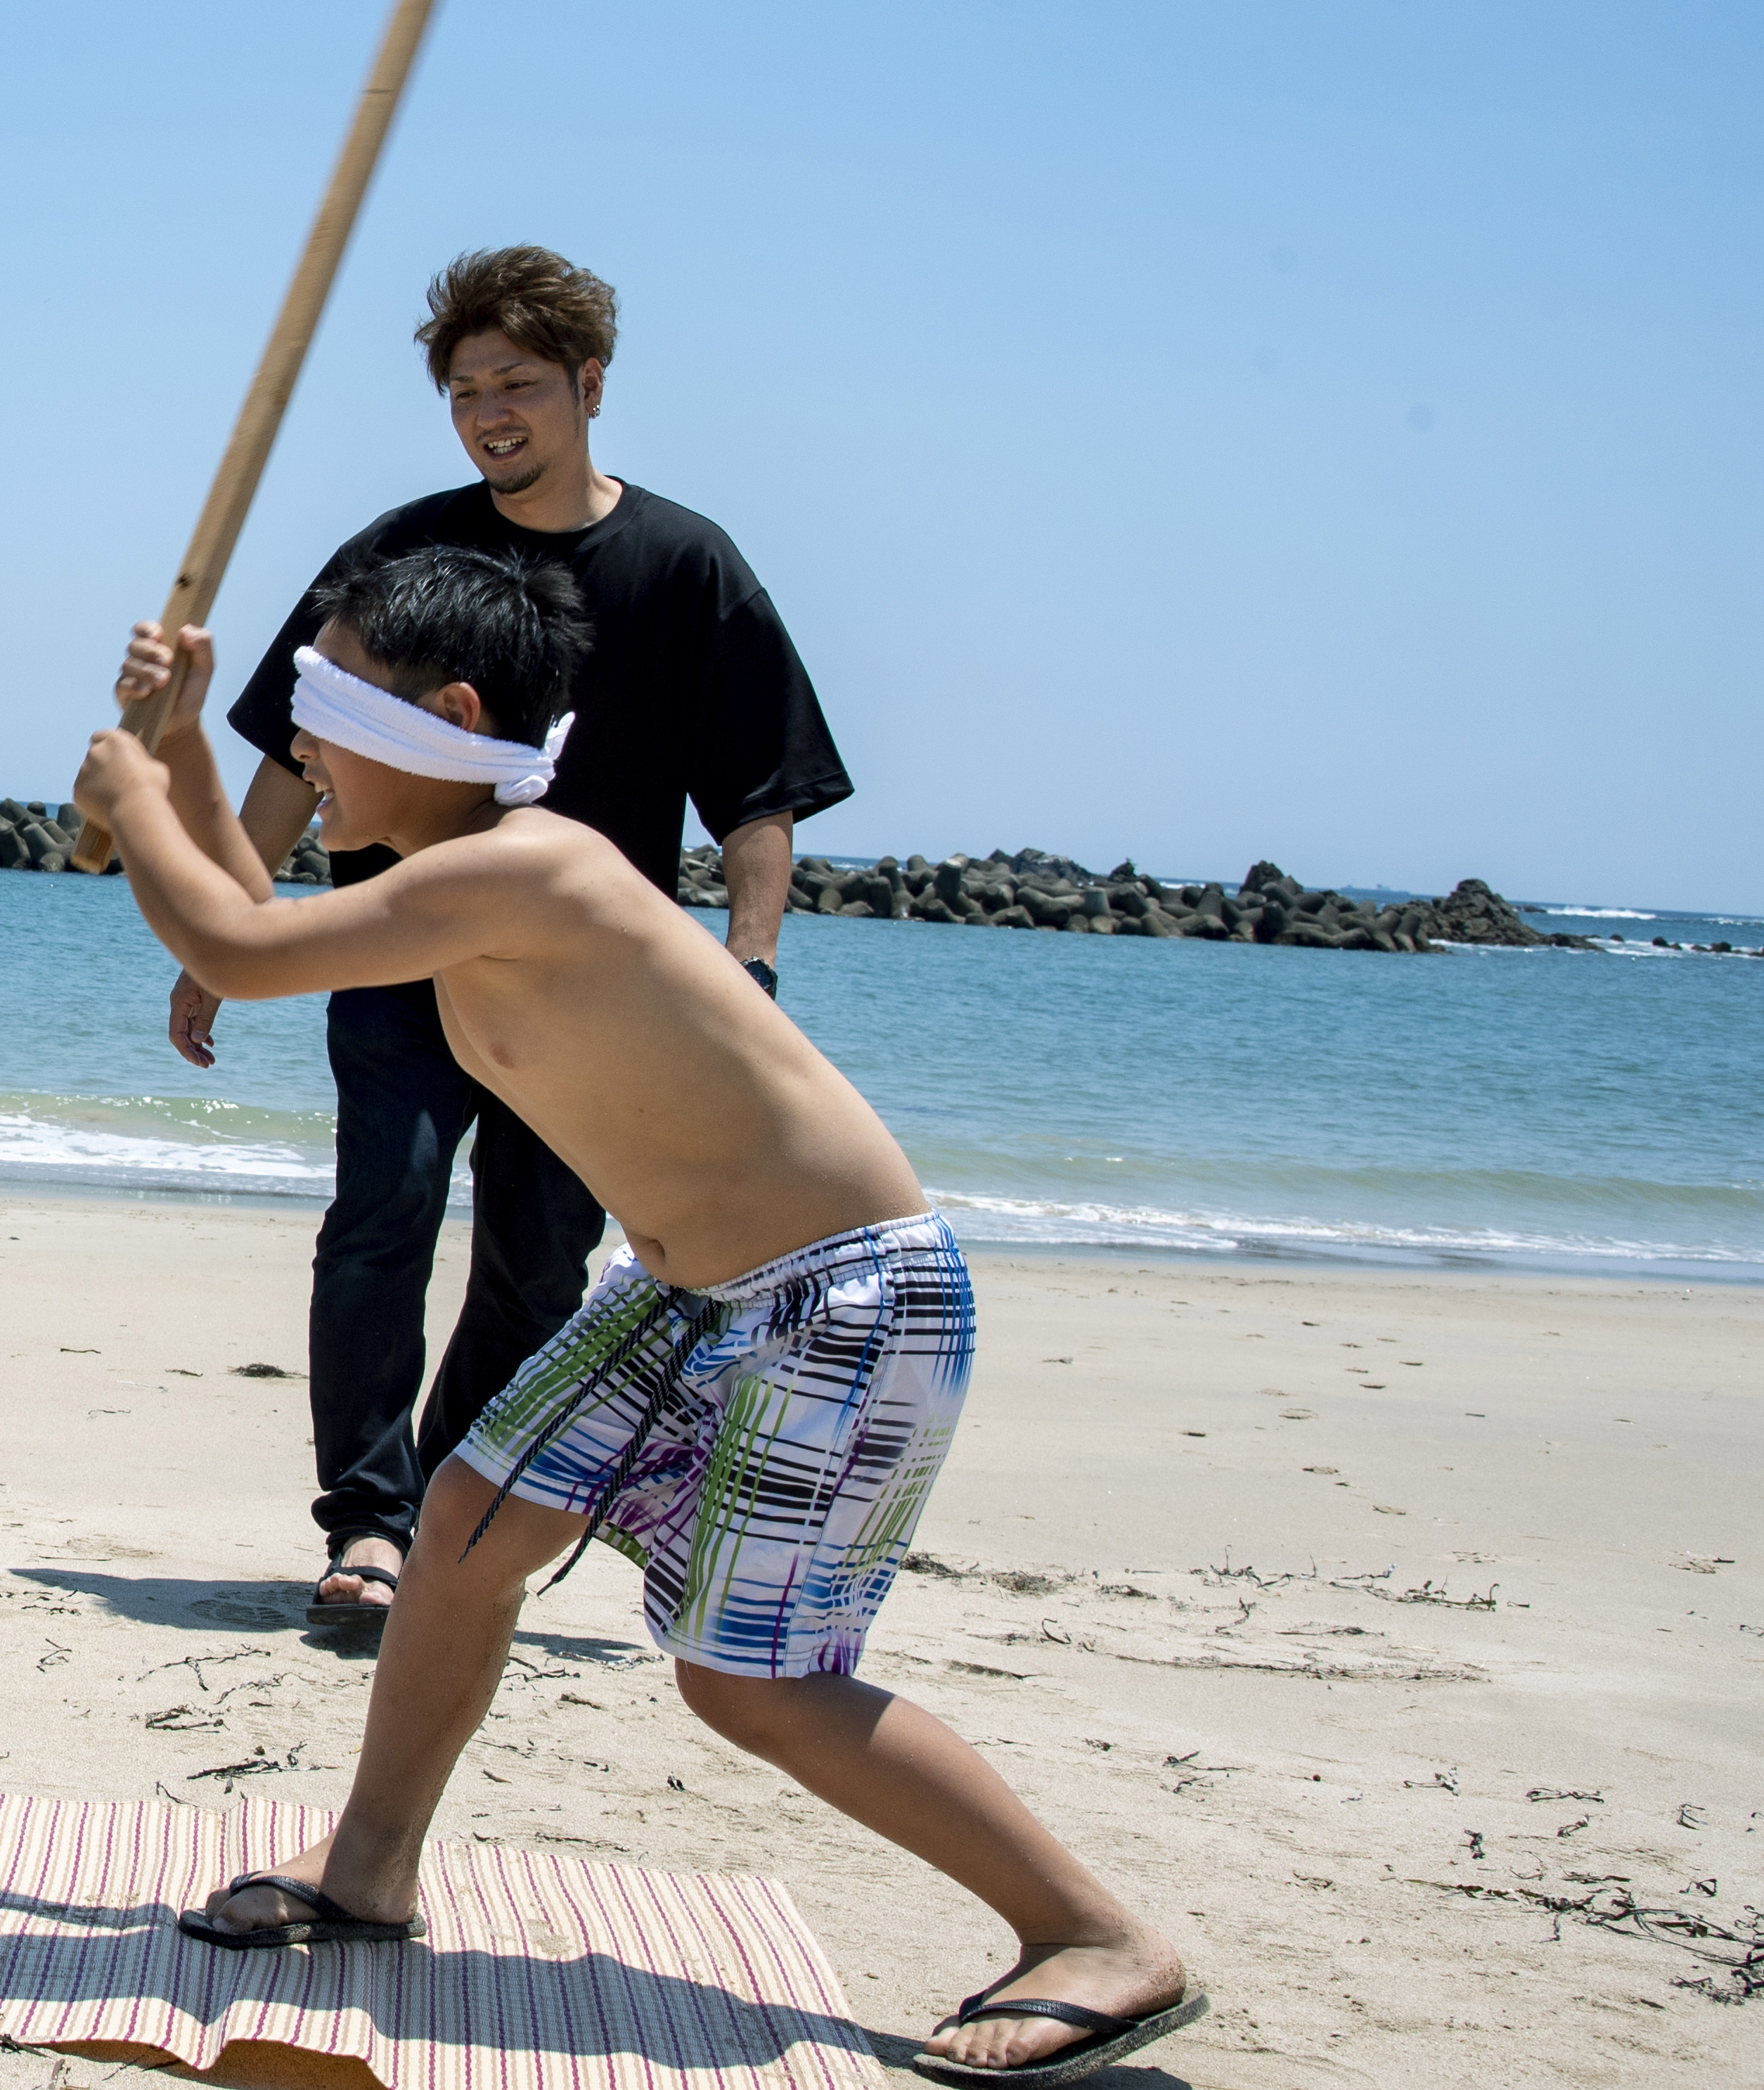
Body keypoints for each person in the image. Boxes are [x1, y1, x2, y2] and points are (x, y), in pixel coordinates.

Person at [75, 548, 1203, 2089]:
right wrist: (189, 752)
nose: (304, 748)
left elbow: (234, 947)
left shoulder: (533, 870)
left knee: (747, 1680)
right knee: (461, 1525)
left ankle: (1089, 1932)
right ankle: (368, 1877)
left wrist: (128, 791)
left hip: (841, 1296)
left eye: (321, 710)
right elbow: (240, 895)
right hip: (683, 1288)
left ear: (448, 716)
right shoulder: (455, 876)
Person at [173, 248, 852, 1624]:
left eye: (519, 385)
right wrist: (225, 926)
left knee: (537, 1259)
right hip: (396, 951)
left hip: (584, 996)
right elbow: (292, 759)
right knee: (382, 1213)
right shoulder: (401, 553)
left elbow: (756, 792)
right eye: (467, 388)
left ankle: (444, 1511)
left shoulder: (684, 564)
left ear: (588, 386)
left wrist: (752, 959)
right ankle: (365, 1524)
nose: (491, 412)